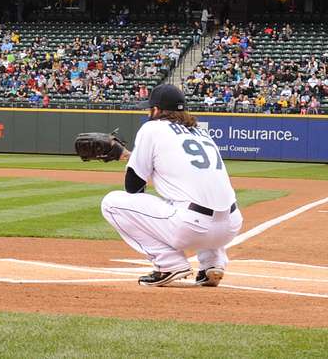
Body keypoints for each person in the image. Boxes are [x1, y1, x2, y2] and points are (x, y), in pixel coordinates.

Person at [100, 84, 242, 287]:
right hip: (230, 227)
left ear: (156, 110)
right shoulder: (200, 132)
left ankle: (169, 264)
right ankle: (212, 263)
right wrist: (130, 156)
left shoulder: (152, 128)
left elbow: (134, 188)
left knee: (111, 203)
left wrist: (129, 160)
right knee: (193, 196)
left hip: (191, 228)